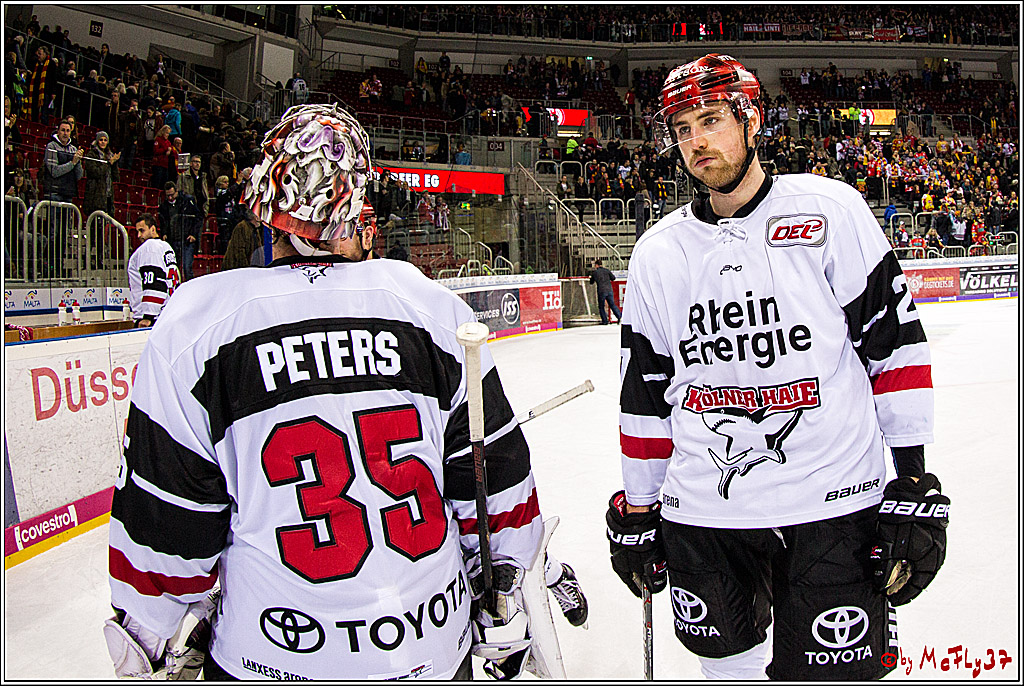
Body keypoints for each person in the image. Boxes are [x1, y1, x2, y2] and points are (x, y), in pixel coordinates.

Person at [105, 104, 586, 681]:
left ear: (265, 200)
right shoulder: (428, 309)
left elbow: (166, 525)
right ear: (359, 203)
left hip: (269, 654)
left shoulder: (196, 328)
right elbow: (496, 485)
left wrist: (148, 637)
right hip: (432, 647)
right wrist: (506, 592)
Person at [608, 54, 947, 681]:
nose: (697, 141)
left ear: (751, 120)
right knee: (725, 670)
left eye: (711, 120)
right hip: (706, 512)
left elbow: (894, 345)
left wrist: (912, 482)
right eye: (682, 129)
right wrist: (639, 507)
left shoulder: (829, 212)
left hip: (833, 501)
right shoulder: (659, 251)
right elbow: (644, 392)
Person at [126, 213, 178, 327]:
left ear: (153, 229)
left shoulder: (149, 247)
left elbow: (154, 281)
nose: (139, 235)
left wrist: (148, 316)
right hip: (167, 312)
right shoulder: (166, 247)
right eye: (137, 232)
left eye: (142, 230)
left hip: (153, 317)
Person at [157, 181, 201, 281]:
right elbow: (163, 222)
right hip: (173, 240)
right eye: (168, 195)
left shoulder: (188, 201)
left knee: (186, 267)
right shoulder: (163, 207)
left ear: (176, 192)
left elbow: (198, 218)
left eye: (172, 195)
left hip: (187, 239)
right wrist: (164, 233)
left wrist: (194, 234)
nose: (170, 198)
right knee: (174, 267)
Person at [42, 118, 83, 202]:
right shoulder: (51, 146)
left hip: (68, 193)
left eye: (68, 131)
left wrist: (78, 161)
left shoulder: (73, 149)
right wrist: (72, 163)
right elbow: (54, 172)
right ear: (58, 131)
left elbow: (79, 176)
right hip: (54, 193)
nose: (65, 133)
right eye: (63, 130)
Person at [589, 258, 620, 325]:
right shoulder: (607, 270)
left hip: (601, 291)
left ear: (596, 265)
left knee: (601, 306)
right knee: (612, 304)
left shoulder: (595, 273)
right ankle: (619, 317)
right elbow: (613, 278)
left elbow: (591, 282)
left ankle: (605, 321)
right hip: (609, 290)